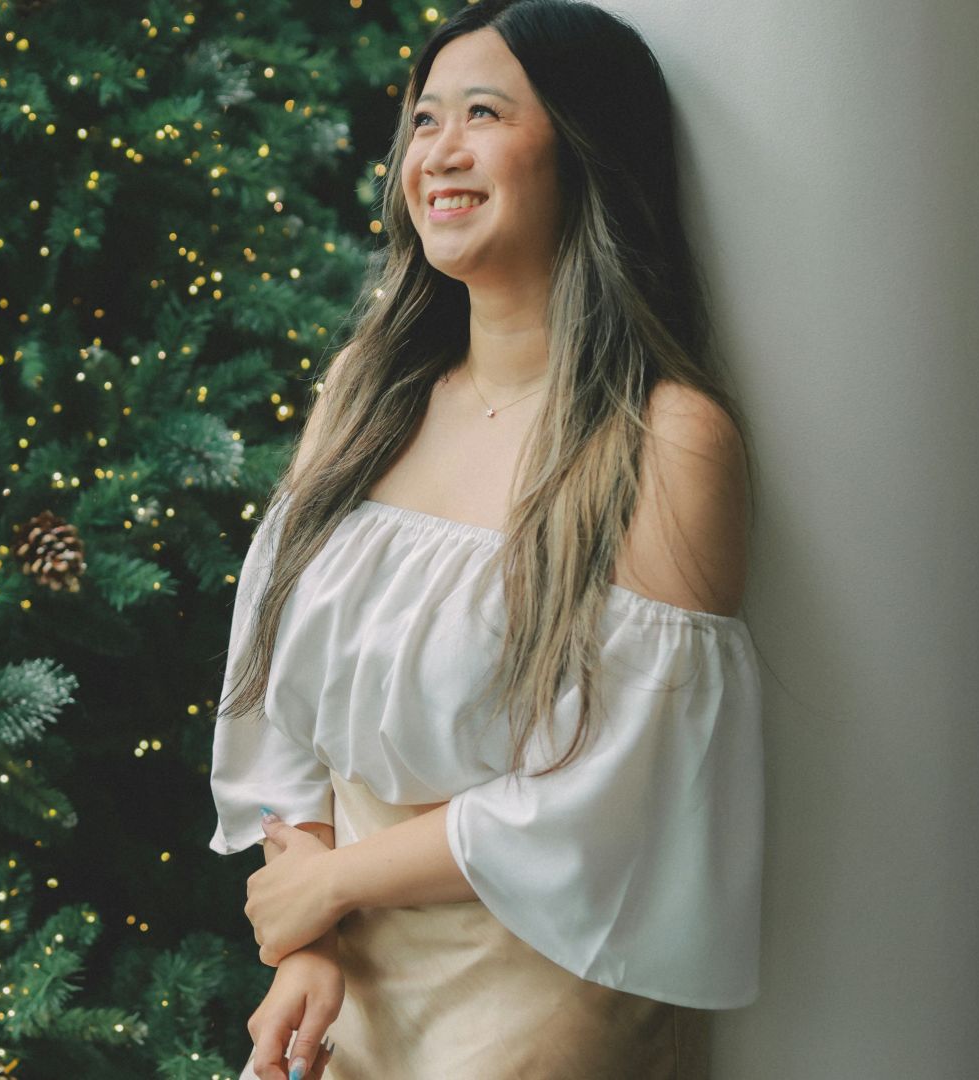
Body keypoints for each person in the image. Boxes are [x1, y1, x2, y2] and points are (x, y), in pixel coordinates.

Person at [207, 1, 766, 1078]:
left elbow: (624, 795)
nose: (440, 152)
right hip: (344, 981)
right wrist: (311, 934)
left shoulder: (666, 444)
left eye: (482, 114)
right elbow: (272, 697)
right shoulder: (365, 404)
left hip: (546, 991)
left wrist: (336, 886)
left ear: (583, 152)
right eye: (423, 121)